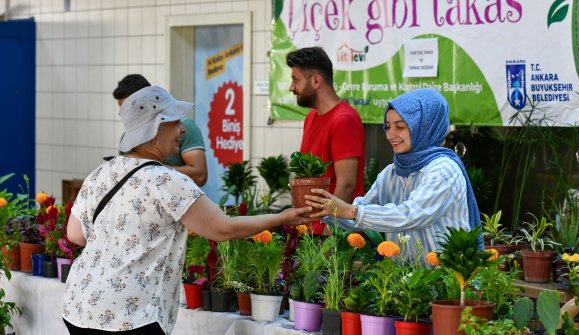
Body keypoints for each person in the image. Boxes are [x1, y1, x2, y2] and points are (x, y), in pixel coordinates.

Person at [62, 86, 314, 335]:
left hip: (79, 306)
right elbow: (223, 228)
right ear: (155, 129)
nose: (182, 129)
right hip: (130, 316)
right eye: (174, 122)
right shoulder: (165, 180)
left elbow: (76, 235)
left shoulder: (100, 173)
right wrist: (282, 217)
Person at [305, 88, 482, 260]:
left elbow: (410, 214)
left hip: (448, 281)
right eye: (388, 127)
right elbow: (356, 217)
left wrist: (350, 211)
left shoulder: (443, 169)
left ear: (425, 126)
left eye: (400, 126)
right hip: (405, 283)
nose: (391, 135)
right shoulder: (391, 173)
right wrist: (322, 210)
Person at [286, 47, 366, 235]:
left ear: (316, 81)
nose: (291, 88)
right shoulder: (311, 117)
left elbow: (346, 183)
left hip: (334, 234)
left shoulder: (344, 119)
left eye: (295, 79)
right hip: (309, 230)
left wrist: (328, 234)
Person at [112, 74, 208, 186]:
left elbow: (200, 176)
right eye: (121, 108)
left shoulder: (185, 127)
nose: (123, 113)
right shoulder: (127, 138)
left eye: (127, 106)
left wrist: (151, 169)